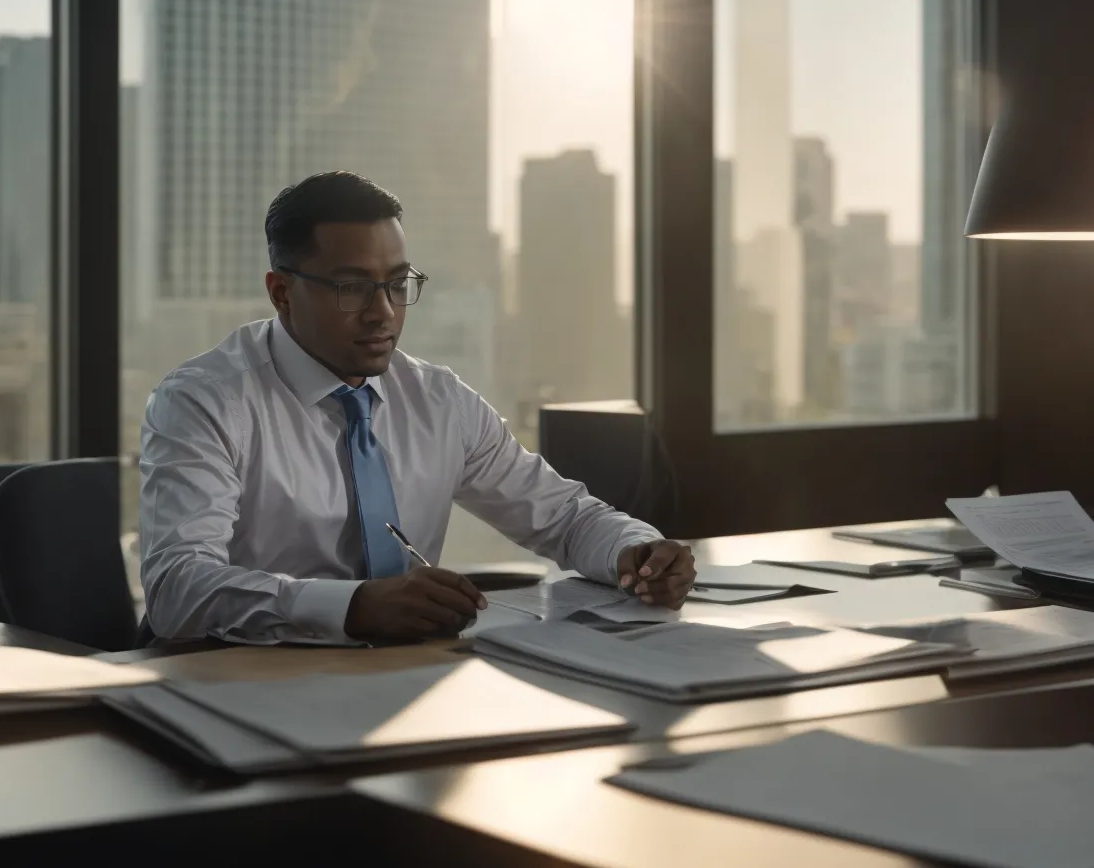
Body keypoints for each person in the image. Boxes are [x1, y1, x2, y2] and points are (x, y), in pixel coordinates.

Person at [139, 171, 695, 644]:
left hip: (404, 671)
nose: (383, 313)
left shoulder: (437, 400)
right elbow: (176, 588)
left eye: (397, 283)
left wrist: (636, 550)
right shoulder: (205, 401)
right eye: (351, 287)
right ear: (281, 292)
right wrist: (353, 607)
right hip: (233, 681)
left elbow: (565, 518)